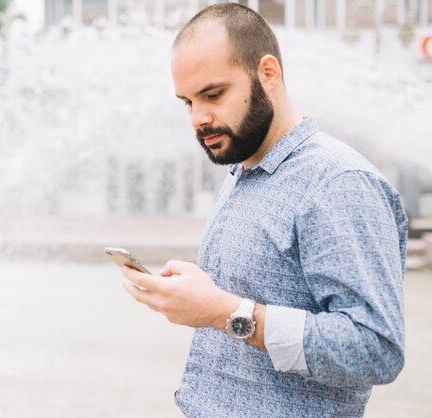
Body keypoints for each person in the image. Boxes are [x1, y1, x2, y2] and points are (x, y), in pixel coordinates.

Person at [119, 3, 408, 417]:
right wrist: (204, 295)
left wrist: (224, 312)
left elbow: (375, 349)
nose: (199, 118)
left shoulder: (338, 183)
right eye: (187, 102)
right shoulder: (243, 168)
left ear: (268, 74)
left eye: (213, 95)